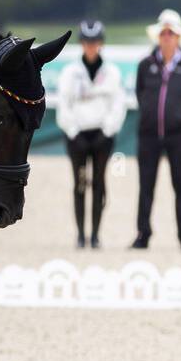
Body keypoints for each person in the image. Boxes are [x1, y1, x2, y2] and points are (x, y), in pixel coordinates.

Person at [133, 8, 181, 250]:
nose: (167, 37)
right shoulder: (145, 64)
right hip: (149, 135)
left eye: (171, 33)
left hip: (179, 136)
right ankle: (143, 234)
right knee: (146, 186)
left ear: (179, 37)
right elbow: (139, 92)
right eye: (163, 32)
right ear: (157, 35)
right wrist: (148, 113)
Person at [56, 19, 126, 248]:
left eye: (95, 42)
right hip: (77, 136)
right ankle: (80, 235)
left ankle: (95, 235)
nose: (91, 46)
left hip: (102, 136)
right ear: (81, 44)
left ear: (101, 43)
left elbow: (118, 105)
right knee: (79, 183)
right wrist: (73, 131)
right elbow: (63, 105)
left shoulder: (112, 72)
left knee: (99, 182)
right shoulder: (70, 72)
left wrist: (107, 131)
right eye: (87, 42)